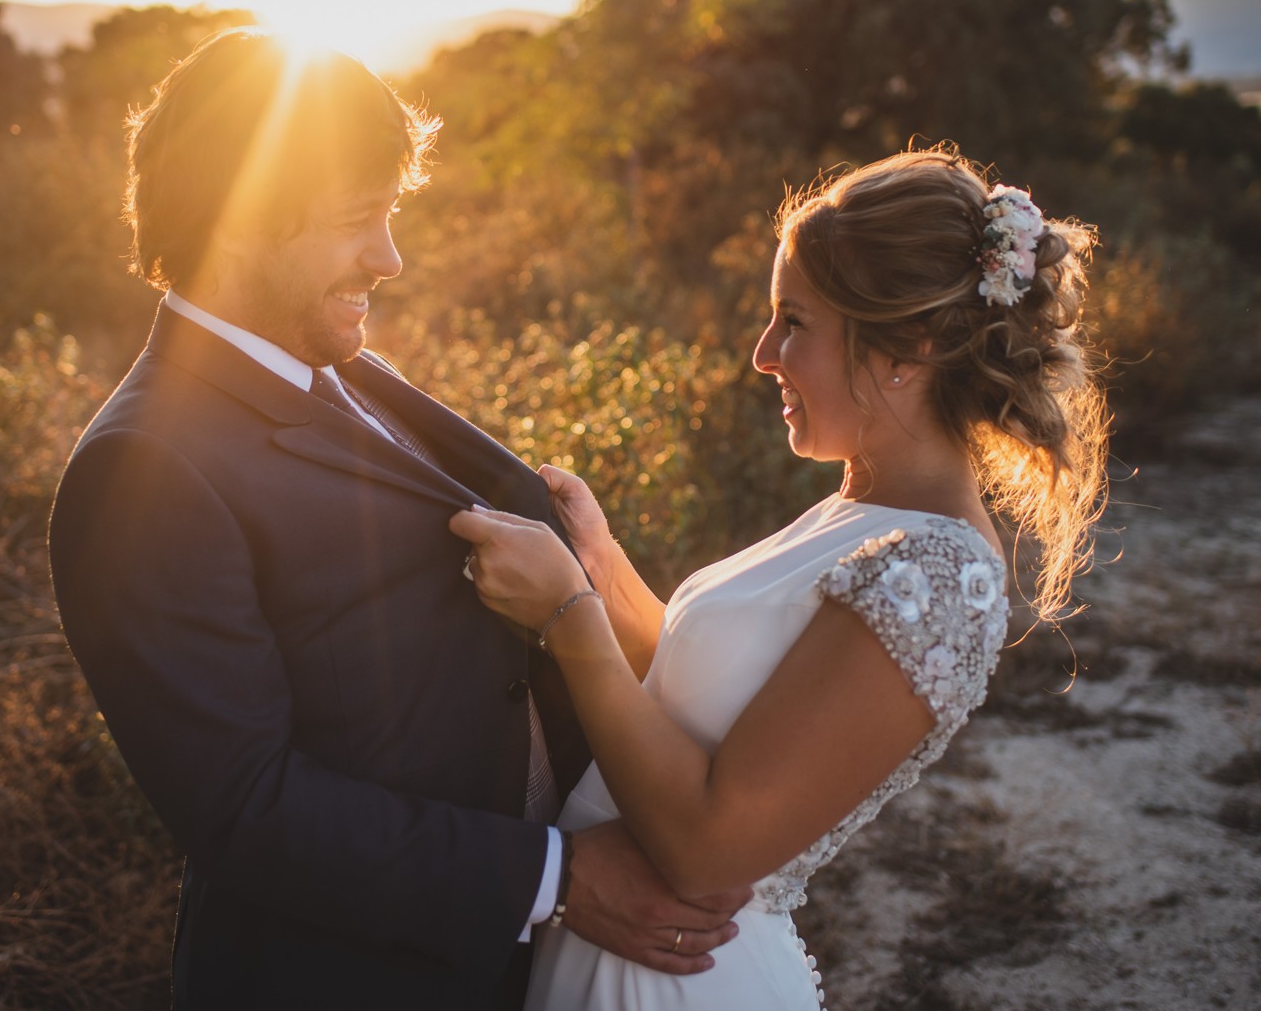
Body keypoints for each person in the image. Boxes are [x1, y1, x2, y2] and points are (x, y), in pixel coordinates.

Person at [46, 29, 750, 1011]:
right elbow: (247, 808)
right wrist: (560, 879)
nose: (390, 257)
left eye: (391, 213)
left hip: (517, 967)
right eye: (357, 219)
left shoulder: (340, 364)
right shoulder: (144, 467)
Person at [451, 148, 1110, 1009]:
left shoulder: (938, 574)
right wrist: (602, 571)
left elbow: (708, 848)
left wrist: (571, 617)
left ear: (908, 348)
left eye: (793, 321)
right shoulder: (862, 507)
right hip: (613, 952)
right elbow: (707, 698)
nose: (764, 354)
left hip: (675, 982)